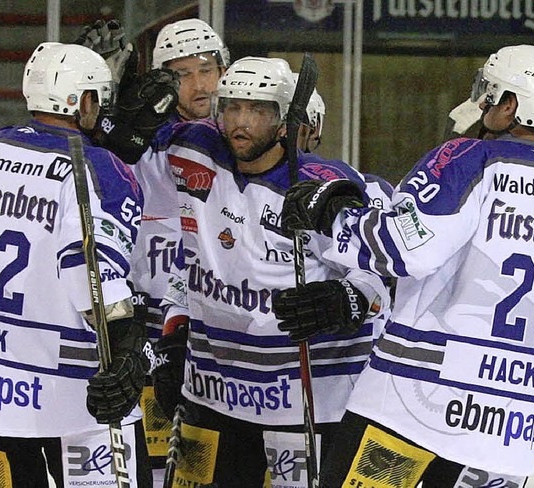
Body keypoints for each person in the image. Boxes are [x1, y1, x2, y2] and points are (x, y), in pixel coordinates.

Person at [274, 45, 534, 487]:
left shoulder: (470, 158)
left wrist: (334, 216)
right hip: (508, 429)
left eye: (489, 92)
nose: (482, 103)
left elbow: (406, 250)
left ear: (511, 105)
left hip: (410, 407)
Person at [149, 56, 393, 487]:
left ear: (284, 122)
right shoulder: (196, 158)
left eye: (258, 110)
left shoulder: (320, 187)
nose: (241, 122)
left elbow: (383, 271)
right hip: (213, 394)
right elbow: (191, 269)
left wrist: (344, 300)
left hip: (304, 403)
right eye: (233, 108)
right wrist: (173, 340)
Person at [0, 42, 153, 487]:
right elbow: (90, 273)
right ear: (85, 102)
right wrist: (127, 344)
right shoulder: (103, 171)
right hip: (72, 396)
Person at [75, 17, 230, 485]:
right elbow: (98, 159)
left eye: (207, 68)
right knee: (140, 464)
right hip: (144, 326)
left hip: (211, 328)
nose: (199, 84)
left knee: (197, 470)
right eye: (181, 74)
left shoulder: (242, 139)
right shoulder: (138, 139)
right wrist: (99, 111)